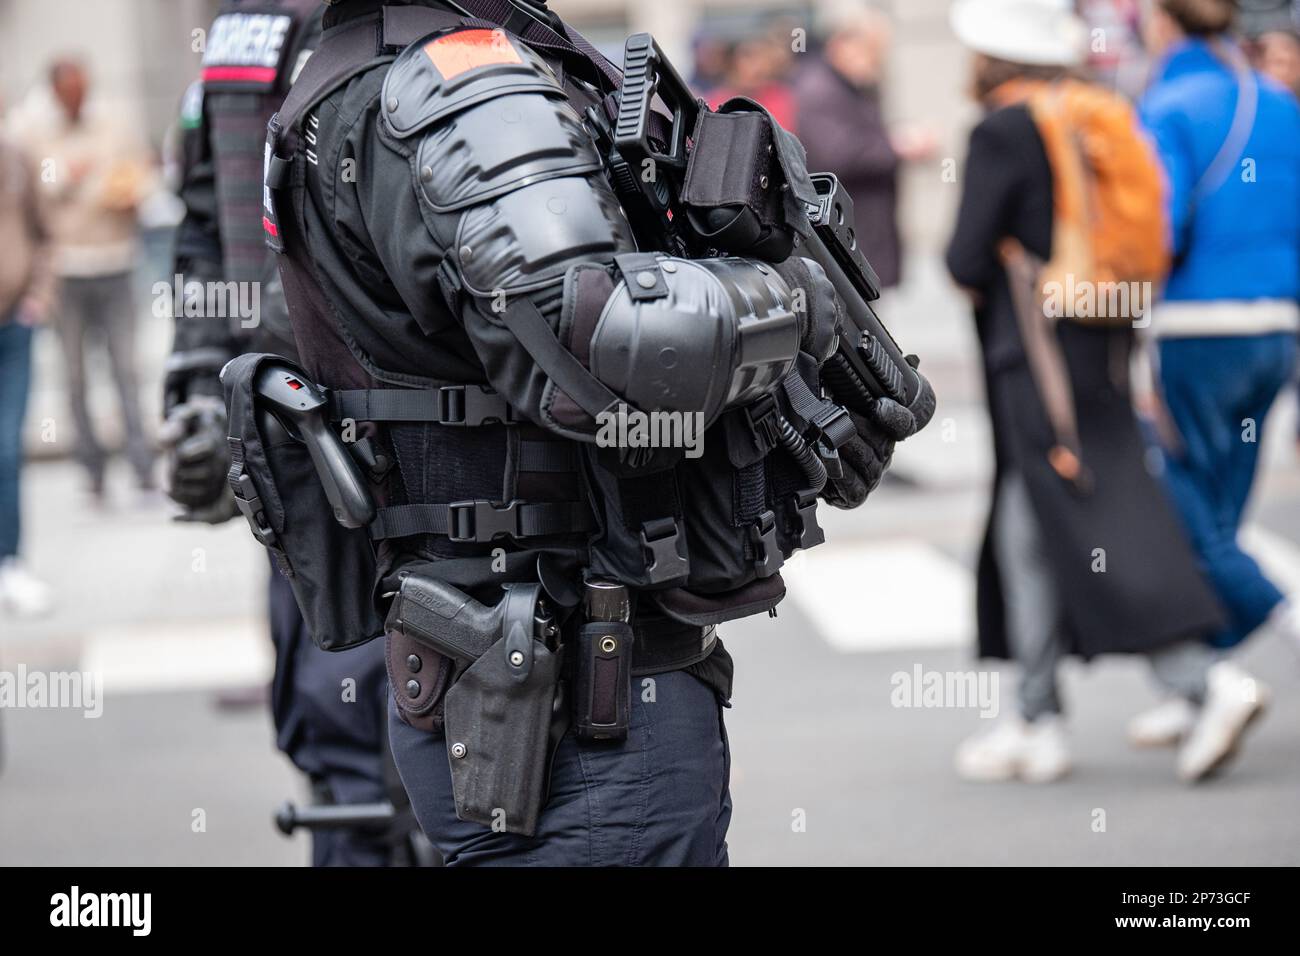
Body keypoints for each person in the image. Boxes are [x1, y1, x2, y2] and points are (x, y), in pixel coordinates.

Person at [253, 0, 931, 866]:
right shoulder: (455, 81)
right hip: (578, 696)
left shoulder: (350, 69)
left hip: (508, 659)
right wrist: (795, 299)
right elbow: (611, 342)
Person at [945, 0, 1265, 785]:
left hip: (1036, 355)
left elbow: (963, 259)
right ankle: (1035, 716)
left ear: (989, 56)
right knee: (1039, 531)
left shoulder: (1002, 129)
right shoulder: (1095, 110)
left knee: (1094, 525)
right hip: (1098, 343)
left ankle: (1201, 680)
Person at [161, 0, 405, 866]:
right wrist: (197, 390)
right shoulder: (248, 29)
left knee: (431, 732)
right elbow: (203, 221)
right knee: (346, 729)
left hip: (395, 422)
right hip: (314, 426)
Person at [1140, 0, 1300, 660]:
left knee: (1184, 503)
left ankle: (1268, 606)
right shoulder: (1280, 102)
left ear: (1165, 22)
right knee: (1226, 504)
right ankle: (1205, 682)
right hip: (1276, 326)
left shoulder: (1168, 103)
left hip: (1197, 326)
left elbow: (1162, 224)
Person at [13, 58, 156, 500]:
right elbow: (34, 187)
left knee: (126, 370)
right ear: (55, 92)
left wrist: (124, 190)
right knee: (74, 375)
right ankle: (92, 472)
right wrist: (68, 179)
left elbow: (140, 172)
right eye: (68, 91)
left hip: (116, 259)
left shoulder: (114, 120)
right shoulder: (31, 128)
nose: (77, 98)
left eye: (83, 89)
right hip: (66, 267)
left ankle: (142, 467)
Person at [793, 3, 936, 292]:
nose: (877, 60)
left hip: (864, 229)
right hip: (846, 232)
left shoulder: (851, 86)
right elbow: (838, 154)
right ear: (843, 44)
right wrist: (897, 146)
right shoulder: (820, 89)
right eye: (871, 50)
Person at [0, 102, 55, 619]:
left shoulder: (16, 159)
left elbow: (44, 232)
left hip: (14, 325)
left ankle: (10, 563)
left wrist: (38, 293)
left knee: (7, 448)